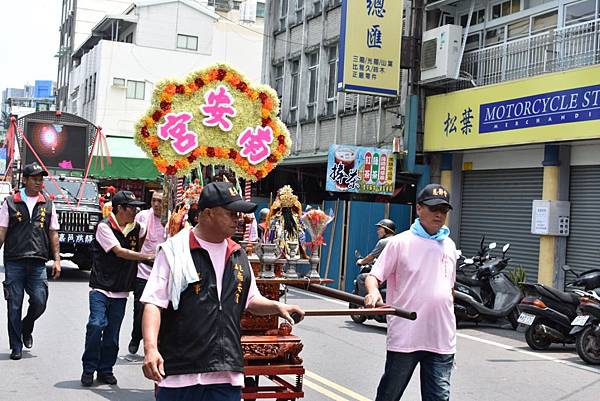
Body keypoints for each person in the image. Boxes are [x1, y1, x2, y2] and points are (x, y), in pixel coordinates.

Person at [141, 181, 305, 401]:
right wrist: (151, 349)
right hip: (181, 372)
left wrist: (277, 306)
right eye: (231, 214)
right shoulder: (175, 251)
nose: (238, 220)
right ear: (207, 213)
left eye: (239, 215)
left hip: (226, 372)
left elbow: (250, 299)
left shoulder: (238, 254)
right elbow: (154, 303)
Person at [365, 183, 458, 401]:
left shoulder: (450, 245)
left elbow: (449, 288)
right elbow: (374, 276)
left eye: (443, 210)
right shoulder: (400, 242)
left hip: (442, 338)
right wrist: (373, 292)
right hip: (407, 335)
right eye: (434, 208)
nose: (439, 214)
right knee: (390, 394)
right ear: (419, 208)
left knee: (439, 397)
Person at [81, 190, 154, 387]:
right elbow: (120, 252)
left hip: (121, 289)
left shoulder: (137, 227)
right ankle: (88, 368)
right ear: (119, 208)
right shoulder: (104, 227)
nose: (135, 211)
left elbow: (138, 244)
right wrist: (146, 257)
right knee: (96, 325)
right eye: (131, 207)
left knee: (112, 334)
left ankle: (106, 370)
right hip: (101, 287)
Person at [0, 162, 61, 360]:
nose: (38, 182)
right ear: (24, 180)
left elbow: (53, 234)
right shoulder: (9, 203)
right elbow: (2, 232)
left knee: (40, 301)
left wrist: (57, 260)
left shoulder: (48, 204)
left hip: (38, 261)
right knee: (14, 305)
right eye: (34, 179)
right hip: (14, 261)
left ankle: (27, 326)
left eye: (41, 179)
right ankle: (16, 346)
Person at [128, 191, 166, 355]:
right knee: (140, 308)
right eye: (154, 200)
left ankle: (154, 344)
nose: (156, 204)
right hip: (143, 270)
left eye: (160, 201)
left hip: (162, 272)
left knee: (160, 310)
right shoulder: (143, 216)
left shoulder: (171, 219)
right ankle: (136, 336)